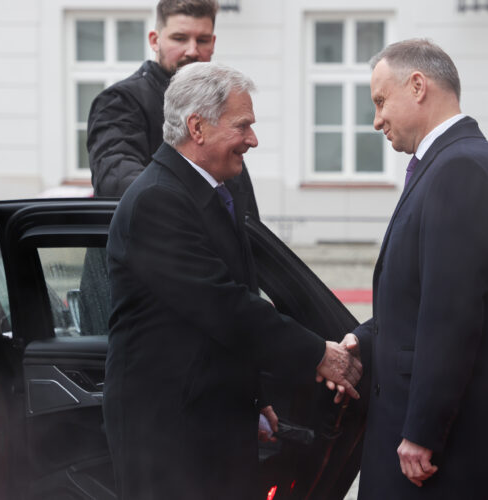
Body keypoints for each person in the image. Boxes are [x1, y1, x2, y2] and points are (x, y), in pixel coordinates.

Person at [104, 62, 362, 499]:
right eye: (242, 126)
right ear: (197, 127)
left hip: (212, 420)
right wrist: (319, 353)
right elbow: (224, 307)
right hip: (169, 433)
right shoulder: (158, 201)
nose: (253, 139)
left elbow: (239, 296)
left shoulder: (209, 190)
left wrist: (256, 397)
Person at [347, 39, 488, 498]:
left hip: (439, 453)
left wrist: (422, 431)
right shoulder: (446, 163)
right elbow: (419, 295)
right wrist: (364, 340)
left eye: (381, 101)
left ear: (418, 86)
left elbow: (452, 315)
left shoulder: (460, 168)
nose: (377, 119)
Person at [86, 0, 258, 218]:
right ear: (155, 40)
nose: (192, 50)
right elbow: (117, 181)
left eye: (202, 40)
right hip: (153, 246)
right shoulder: (120, 101)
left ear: (213, 43)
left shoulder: (219, 100)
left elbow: (240, 196)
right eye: (180, 38)